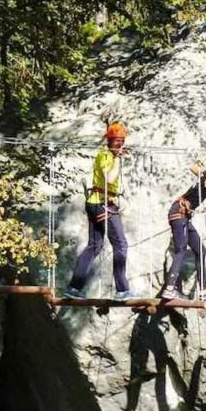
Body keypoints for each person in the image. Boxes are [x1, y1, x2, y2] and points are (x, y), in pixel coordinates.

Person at [65, 122, 134, 300]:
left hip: (100, 202)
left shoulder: (110, 154)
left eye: (122, 141)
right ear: (110, 141)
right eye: (117, 141)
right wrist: (118, 158)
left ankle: (74, 288)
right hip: (101, 203)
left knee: (95, 245)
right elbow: (109, 177)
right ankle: (122, 289)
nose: (120, 144)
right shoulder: (104, 155)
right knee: (120, 244)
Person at [161, 154, 206, 301]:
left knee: (201, 250)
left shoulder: (205, 174)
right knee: (181, 250)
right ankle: (169, 288)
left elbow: (193, 167)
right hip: (179, 212)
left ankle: (203, 290)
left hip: (183, 215)